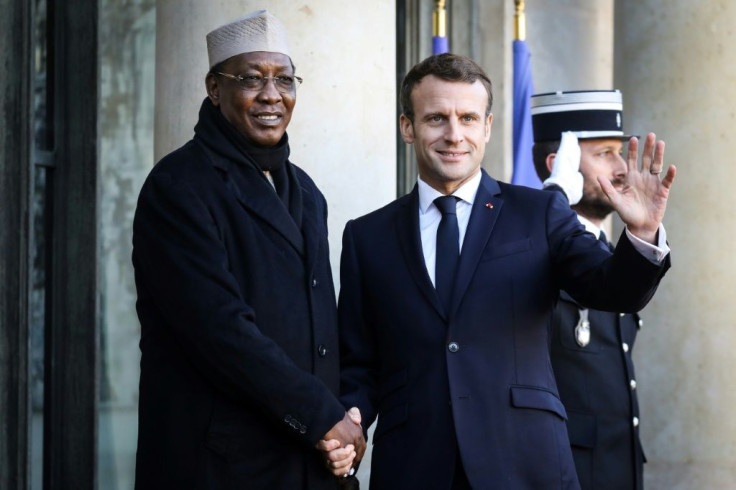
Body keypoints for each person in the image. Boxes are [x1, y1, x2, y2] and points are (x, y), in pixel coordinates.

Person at [337, 53, 675, 489]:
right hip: (413, 466)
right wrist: (350, 421)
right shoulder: (367, 236)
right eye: (437, 118)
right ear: (408, 127)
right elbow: (359, 362)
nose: (454, 134)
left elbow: (611, 290)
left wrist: (643, 232)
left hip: (526, 464)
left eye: (468, 118)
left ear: (488, 127)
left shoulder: (539, 212)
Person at [132, 10, 363, 489]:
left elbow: (321, 331)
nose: (271, 95)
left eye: (284, 79)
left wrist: (341, 426)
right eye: (251, 79)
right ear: (214, 89)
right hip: (220, 463)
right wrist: (322, 416)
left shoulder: (306, 192)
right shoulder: (178, 186)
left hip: (305, 459)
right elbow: (219, 330)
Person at [531, 89, 652, 490]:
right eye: (603, 154)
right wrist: (556, 196)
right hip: (563, 474)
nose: (621, 168)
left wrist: (645, 231)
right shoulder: (530, 247)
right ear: (558, 165)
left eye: (619, 152)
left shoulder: (605, 250)